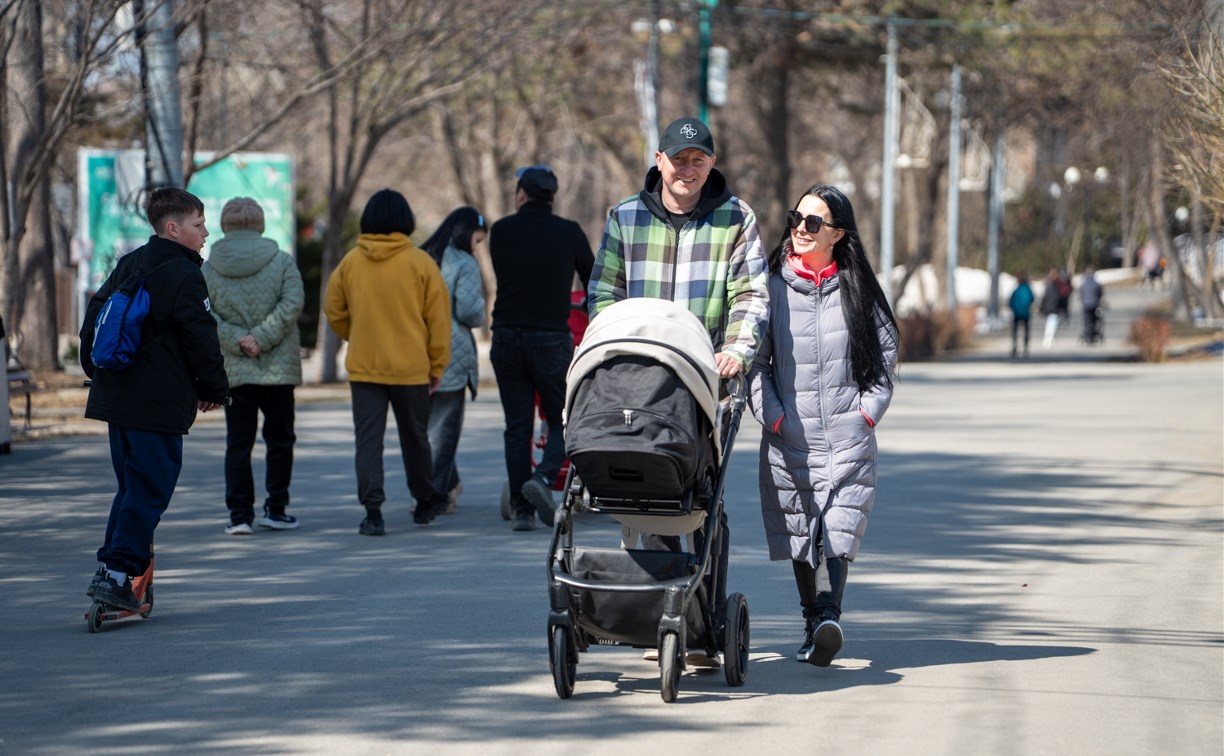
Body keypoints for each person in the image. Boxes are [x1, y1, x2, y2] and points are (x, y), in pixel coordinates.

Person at [588, 115, 769, 668]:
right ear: (659, 160)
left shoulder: (735, 218)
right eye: (678, 159)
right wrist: (612, 349)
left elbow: (751, 295)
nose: (687, 169)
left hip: (704, 383)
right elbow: (603, 293)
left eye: (698, 160)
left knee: (701, 499)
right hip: (635, 381)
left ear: (711, 164)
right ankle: (658, 612)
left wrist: (736, 351)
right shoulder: (625, 217)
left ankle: (701, 620)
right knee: (643, 492)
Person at [747, 183, 899, 668]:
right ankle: (813, 620)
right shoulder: (771, 287)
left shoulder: (858, 289)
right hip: (790, 437)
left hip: (848, 436)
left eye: (813, 222)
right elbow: (756, 364)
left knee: (838, 529)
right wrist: (774, 416)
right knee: (800, 532)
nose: (800, 228)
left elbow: (886, 355)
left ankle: (830, 615)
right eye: (796, 218)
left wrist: (867, 413)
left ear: (837, 234)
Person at [79, 187, 230, 611]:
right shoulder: (184, 274)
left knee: (132, 488)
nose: (205, 232)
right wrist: (214, 389)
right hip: (157, 402)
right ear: (173, 228)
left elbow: (94, 315)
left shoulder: (131, 262)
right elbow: (201, 338)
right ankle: (117, 575)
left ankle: (113, 569)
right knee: (148, 490)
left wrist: (95, 370)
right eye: (199, 224)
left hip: (117, 396)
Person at [324, 189, 451, 535]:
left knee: (368, 441)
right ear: (405, 220)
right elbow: (438, 320)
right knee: (415, 438)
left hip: (365, 367)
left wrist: (356, 334)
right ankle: (424, 501)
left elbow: (333, 310)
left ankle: (373, 512)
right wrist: (437, 365)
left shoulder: (351, 262)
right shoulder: (421, 263)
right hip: (411, 368)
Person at [489, 164, 593, 531]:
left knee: (517, 426)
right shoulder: (569, 232)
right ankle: (544, 477)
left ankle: (522, 510)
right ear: (552, 197)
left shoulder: (501, 231)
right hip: (550, 338)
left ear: (521, 194)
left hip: (506, 336)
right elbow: (592, 278)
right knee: (561, 418)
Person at [203, 197, 305, 535]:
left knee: (238, 442)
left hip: (235, 369)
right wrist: (261, 337)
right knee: (280, 440)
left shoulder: (209, 268)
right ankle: (276, 509)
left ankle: (239, 516)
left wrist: (239, 339)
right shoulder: (282, 261)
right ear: (260, 224)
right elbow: (293, 303)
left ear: (224, 225)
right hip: (278, 369)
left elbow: (205, 314)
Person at [420, 206, 487, 515]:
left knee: (424, 429)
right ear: (466, 232)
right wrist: (482, 307)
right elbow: (469, 312)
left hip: (416, 351)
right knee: (444, 431)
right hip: (451, 352)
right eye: (477, 240)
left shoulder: (421, 257)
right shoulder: (463, 262)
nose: (477, 247)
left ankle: (449, 484)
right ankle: (433, 495)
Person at [1009, 273, 1034, 358]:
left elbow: (1011, 301)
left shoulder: (1016, 290)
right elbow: (1032, 299)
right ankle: (1026, 347)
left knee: (1015, 331)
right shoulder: (1028, 290)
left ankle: (1015, 346)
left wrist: (1014, 308)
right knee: (1026, 331)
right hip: (1026, 313)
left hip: (1016, 313)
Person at [1080, 265, 1104, 344]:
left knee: (1087, 321)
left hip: (1086, 305)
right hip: (1095, 304)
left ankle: (1088, 335)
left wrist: (1083, 301)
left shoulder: (1083, 283)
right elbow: (1100, 294)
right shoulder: (1096, 283)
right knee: (1094, 321)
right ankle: (1093, 335)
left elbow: (1081, 294)